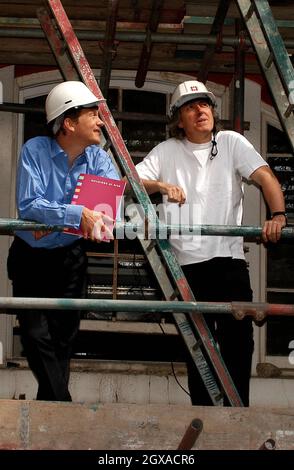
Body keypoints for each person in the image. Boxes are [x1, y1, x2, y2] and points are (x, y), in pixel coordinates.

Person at [135, 80, 286, 406]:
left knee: (239, 342)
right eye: (190, 106)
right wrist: (160, 185)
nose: (200, 110)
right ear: (179, 119)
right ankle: (209, 424)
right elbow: (126, 184)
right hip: (186, 266)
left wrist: (279, 215)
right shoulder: (167, 151)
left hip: (229, 261)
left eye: (204, 103)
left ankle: (237, 418)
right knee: (199, 349)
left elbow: (265, 177)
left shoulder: (231, 142)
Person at [7, 81, 119, 401]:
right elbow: (30, 204)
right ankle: (63, 405)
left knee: (63, 341)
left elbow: (103, 215)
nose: (100, 122)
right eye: (93, 115)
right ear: (69, 123)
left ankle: (53, 410)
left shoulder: (98, 158)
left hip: (70, 259)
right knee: (34, 335)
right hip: (30, 258)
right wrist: (76, 214)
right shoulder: (35, 150)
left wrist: (61, 219)